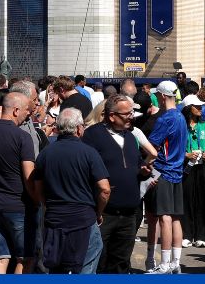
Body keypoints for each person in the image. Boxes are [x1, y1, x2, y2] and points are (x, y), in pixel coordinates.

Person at [31, 108, 111, 274]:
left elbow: (38, 189)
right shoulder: (89, 153)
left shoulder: (45, 154)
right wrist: (98, 212)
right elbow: (105, 189)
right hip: (84, 220)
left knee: (56, 268)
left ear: (58, 128)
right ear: (79, 129)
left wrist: (47, 206)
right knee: (85, 268)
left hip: (54, 221)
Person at [82, 95, 148, 274]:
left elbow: (136, 162)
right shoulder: (92, 135)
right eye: (127, 113)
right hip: (104, 213)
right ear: (112, 116)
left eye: (132, 112)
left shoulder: (129, 135)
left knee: (121, 262)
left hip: (129, 214)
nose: (131, 116)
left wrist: (143, 170)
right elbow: (86, 169)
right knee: (100, 261)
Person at [0, 90, 37, 274]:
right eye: (27, 110)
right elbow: (29, 176)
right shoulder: (22, 137)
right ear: (16, 110)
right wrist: (36, 199)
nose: (29, 114)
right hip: (17, 206)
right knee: (24, 259)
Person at [146, 80, 189, 274]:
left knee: (164, 218)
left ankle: (164, 264)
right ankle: (175, 262)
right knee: (175, 218)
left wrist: (144, 162)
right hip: (178, 171)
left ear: (162, 96)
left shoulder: (165, 118)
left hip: (164, 170)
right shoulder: (181, 117)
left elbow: (152, 147)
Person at [180, 94, 205, 249]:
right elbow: (175, 148)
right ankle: (187, 234)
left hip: (202, 166)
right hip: (186, 167)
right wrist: (186, 155)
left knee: (203, 199)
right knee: (186, 199)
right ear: (189, 108)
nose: (201, 109)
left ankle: (201, 235)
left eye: (201, 106)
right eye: (198, 106)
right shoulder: (181, 126)